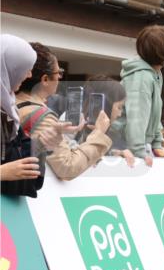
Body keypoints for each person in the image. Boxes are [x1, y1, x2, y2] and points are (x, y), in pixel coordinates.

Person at [15, 44, 116, 180]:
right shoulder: (42, 117)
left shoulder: (11, 103)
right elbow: (67, 167)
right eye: (58, 73)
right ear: (45, 79)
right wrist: (99, 134)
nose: (60, 78)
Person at [1, 35, 56, 196]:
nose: (30, 75)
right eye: (25, 68)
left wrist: (41, 144)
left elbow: (27, 173)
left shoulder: (9, 108)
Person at [119, 24, 164, 166]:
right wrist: (139, 151)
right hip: (126, 148)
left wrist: (157, 145)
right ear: (161, 50)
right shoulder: (142, 77)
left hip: (136, 146)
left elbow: (154, 115)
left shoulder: (155, 74)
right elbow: (136, 116)